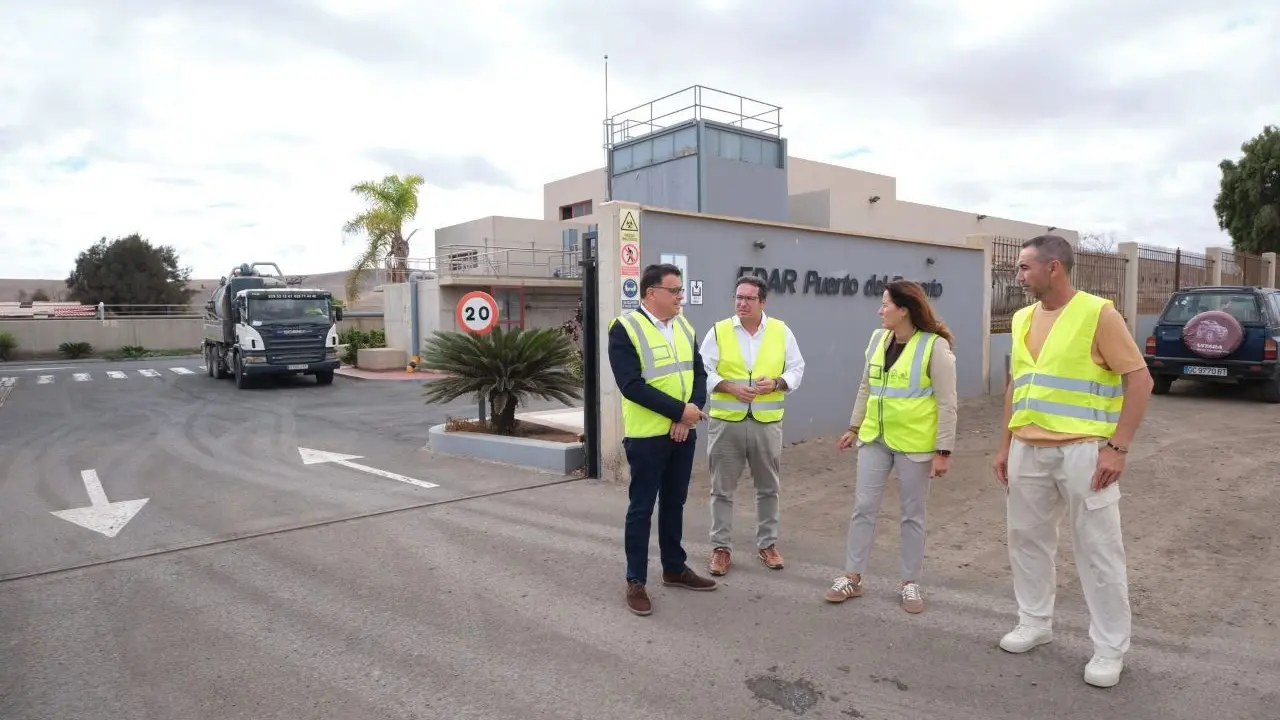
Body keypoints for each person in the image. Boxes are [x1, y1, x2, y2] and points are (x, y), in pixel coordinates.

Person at [991, 234, 1153, 688]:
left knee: (1099, 550)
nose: (1019, 276)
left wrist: (1117, 448)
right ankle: (1035, 622)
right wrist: (1005, 445)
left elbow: (1139, 381)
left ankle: (1109, 648)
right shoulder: (1022, 317)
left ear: (1054, 268)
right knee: (1025, 540)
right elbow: (1016, 386)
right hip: (1028, 449)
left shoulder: (1097, 313)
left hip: (1084, 451)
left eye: (1025, 268)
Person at [823, 279, 958, 615]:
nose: (879, 310)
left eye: (885, 304)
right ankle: (852, 577)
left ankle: (910, 583)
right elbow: (866, 386)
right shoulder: (877, 339)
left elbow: (948, 403)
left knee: (913, 515)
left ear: (904, 309)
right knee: (863, 506)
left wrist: (943, 451)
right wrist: (854, 427)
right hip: (875, 437)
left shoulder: (934, 347)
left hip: (915, 444)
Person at [608, 262, 718, 616]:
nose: (680, 296)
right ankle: (635, 580)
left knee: (675, 503)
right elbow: (631, 385)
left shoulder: (684, 325)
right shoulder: (625, 329)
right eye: (675, 291)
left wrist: (692, 411)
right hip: (647, 438)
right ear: (651, 292)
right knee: (642, 509)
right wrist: (678, 412)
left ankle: (674, 567)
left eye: (681, 291)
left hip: (683, 431)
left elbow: (698, 372)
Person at [701, 275, 806, 576]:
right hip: (726, 424)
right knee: (721, 489)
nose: (742, 303)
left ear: (763, 302)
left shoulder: (780, 331)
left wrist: (777, 382)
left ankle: (767, 544)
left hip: (766, 424)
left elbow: (797, 368)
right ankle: (721, 548)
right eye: (738, 297)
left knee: (768, 488)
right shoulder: (719, 331)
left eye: (749, 298)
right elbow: (703, 368)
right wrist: (727, 386)